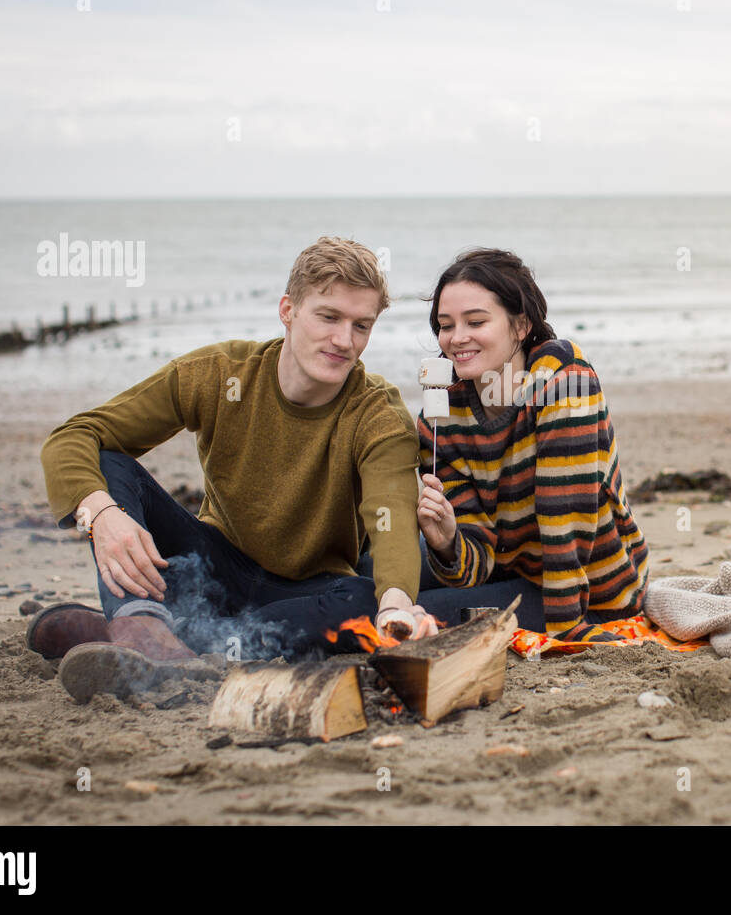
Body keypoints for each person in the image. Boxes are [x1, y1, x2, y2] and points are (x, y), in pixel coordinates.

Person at [33, 237, 435, 702]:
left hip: (307, 592)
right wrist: (101, 514)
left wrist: (396, 605)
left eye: (360, 325)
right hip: (210, 567)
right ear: (288, 310)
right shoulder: (221, 374)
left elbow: (392, 524)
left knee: (365, 600)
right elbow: (75, 436)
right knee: (108, 464)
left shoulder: (378, 413)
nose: (344, 341)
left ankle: (154, 639)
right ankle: (142, 628)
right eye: (328, 317)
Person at [411, 248, 651, 642]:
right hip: (507, 565)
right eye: (445, 324)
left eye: (476, 321)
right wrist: (448, 544)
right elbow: (475, 564)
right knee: (376, 571)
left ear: (520, 326)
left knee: (406, 612)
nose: (456, 339)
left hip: (583, 590)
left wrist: (568, 630)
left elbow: (564, 520)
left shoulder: (564, 380)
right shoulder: (441, 420)